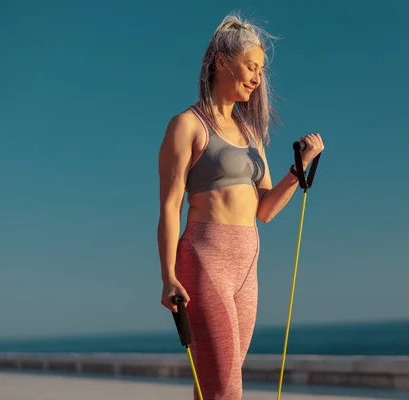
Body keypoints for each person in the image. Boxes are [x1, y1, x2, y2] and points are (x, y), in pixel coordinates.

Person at [156, 13, 324, 400]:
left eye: (261, 70)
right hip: (204, 260)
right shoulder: (187, 125)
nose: (257, 78)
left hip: (246, 267)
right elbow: (169, 206)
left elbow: (264, 210)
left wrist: (299, 169)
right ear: (222, 62)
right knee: (226, 391)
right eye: (251, 66)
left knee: (216, 386)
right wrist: (167, 275)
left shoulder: (251, 133)